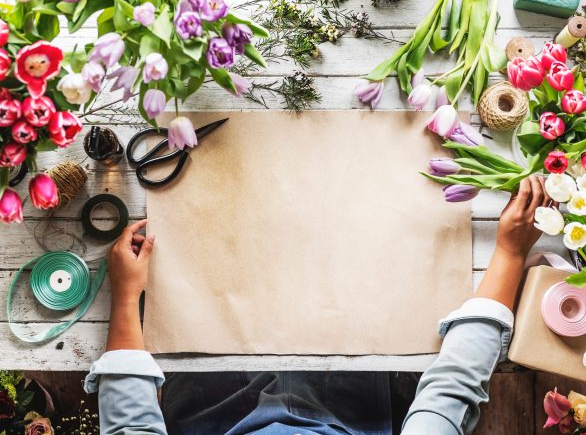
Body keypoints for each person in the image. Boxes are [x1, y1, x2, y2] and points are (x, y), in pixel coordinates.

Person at [85, 175, 552, 435]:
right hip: (359, 401)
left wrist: (126, 297)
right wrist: (509, 254)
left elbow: (129, 426)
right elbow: (451, 390)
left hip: (215, 404)